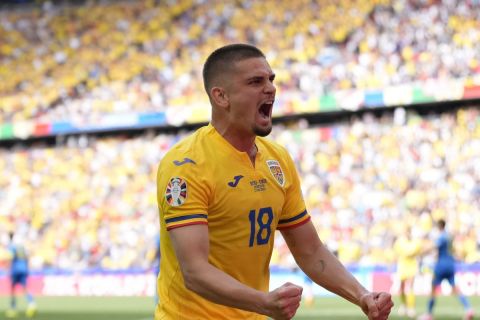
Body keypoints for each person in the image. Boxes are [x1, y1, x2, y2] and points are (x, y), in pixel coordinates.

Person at [155, 43, 394, 320]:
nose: (270, 88)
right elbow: (194, 272)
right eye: (255, 81)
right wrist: (263, 302)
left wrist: (362, 295)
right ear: (221, 96)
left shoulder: (277, 160)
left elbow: (310, 249)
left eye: (271, 79)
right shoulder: (186, 165)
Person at [418, 219, 474, 320]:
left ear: (439, 226)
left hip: (441, 265)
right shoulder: (450, 237)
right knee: (455, 289)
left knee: (433, 288)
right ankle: (468, 308)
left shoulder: (442, 237)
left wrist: (421, 251)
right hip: (451, 264)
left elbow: (434, 246)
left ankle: (428, 314)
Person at [5, 232, 36, 319]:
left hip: (15, 270)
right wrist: (27, 268)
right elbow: (27, 258)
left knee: (12, 288)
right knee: (25, 288)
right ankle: (32, 304)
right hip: (24, 269)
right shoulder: (23, 248)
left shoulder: (12, 247)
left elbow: (10, 258)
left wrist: (8, 269)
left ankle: (13, 308)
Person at [393, 226, 422, 318]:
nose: (407, 234)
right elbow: (398, 253)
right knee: (401, 287)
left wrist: (407, 253)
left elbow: (415, 252)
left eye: (409, 232)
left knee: (410, 286)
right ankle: (404, 305)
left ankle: (411, 308)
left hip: (412, 265)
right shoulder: (399, 242)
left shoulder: (415, 242)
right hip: (402, 265)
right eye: (406, 232)